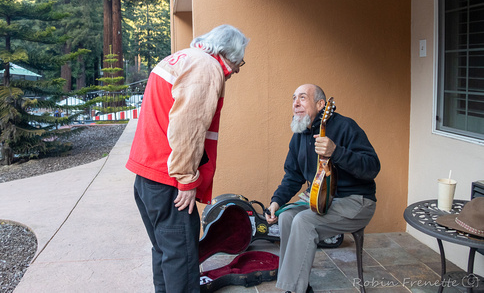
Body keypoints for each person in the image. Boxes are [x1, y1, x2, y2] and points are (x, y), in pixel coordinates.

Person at [126, 24, 249, 293]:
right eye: (241, 59)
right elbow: (188, 127)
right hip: (169, 181)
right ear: (229, 53)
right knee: (181, 260)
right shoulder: (205, 68)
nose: (241, 66)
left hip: (148, 177)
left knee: (165, 254)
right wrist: (186, 180)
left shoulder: (182, 59)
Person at [265, 84, 380, 293]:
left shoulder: (345, 126)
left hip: (356, 201)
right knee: (286, 217)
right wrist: (276, 201)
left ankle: (295, 290)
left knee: (303, 221)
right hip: (322, 199)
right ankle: (297, 285)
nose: (296, 104)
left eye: (302, 98)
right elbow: (292, 175)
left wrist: (336, 151)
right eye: (293, 99)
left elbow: (372, 167)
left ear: (320, 104)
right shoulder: (300, 133)